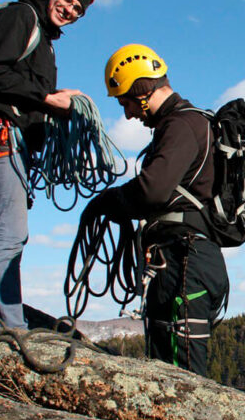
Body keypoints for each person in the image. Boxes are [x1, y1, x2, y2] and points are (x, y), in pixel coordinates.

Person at [0, 0, 96, 328]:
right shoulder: (20, 17)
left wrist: (58, 107)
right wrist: (48, 98)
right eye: (66, 0)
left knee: (0, 231)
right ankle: (12, 328)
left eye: (77, 10)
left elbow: (25, 93)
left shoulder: (44, 41)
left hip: (7, 138)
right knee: (10, 234)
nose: (69, 10)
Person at [82, 44, 229, 377]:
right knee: (170, 365)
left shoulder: (182, 125)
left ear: (142, 90)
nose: (129, 114)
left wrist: (108, 201)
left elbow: (152, 190)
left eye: (127, 102)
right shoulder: (185, 124)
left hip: (184, 262)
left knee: (183, 376)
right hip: (183, 259)